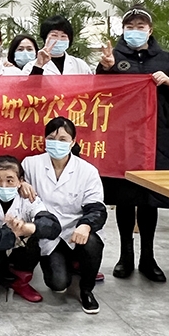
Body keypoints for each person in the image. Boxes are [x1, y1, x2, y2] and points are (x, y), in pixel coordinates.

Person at [97, 7, 169, 282]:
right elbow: (101, 93)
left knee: (149, 199)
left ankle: (148, 257)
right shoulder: (114, 56)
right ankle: (125, 256)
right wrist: (106, 68)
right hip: (123, 138)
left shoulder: (165, 59)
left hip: (155, 138)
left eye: (140, 26)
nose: (135, 30)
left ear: (150, 30)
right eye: (130, 26)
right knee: (125, 197)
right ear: (123, 30)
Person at [21, 117, 107, 314]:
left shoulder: (87, 171)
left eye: (62, 139)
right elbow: (12, 180)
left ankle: (86, 290)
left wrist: (85, 225)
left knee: (92, 241)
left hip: (75, 232)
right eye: (51, 138)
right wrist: (21, 183)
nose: (56, 143)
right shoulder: (31, 164)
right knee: (58, 284)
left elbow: (97, 208)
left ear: (73, 141)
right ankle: (71, 265)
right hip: (49, 234)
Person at [0, 156, 61, 303]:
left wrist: (29, 228)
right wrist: (12, 232)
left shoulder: (29, 198)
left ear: (20, 181)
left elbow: (53, 227)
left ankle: (20, 283)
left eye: (10, 180)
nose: (3, 186)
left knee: (32, 242)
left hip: (17, 253)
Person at [20, 15, 92, 75]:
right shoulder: (30, 66)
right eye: (54, 35)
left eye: (63, 36)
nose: (58, 39)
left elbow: (91, 86)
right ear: (45, 38)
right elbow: (28, 87)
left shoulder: (80, 65)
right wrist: (38, 66)